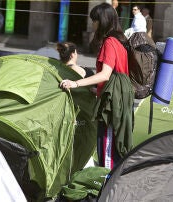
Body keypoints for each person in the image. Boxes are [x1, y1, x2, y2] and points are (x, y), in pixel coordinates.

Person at [60, 3, 133, 169]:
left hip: (111, 105)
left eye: (94, 20)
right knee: (114, 147)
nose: (92, 24)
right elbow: (114, 76)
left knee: (107, 151)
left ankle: (106, 188)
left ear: (102, 21)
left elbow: (105, 74)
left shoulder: (110, 42)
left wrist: (75, 83)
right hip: (118, 99)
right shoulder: (121, 41)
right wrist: (97, 89)